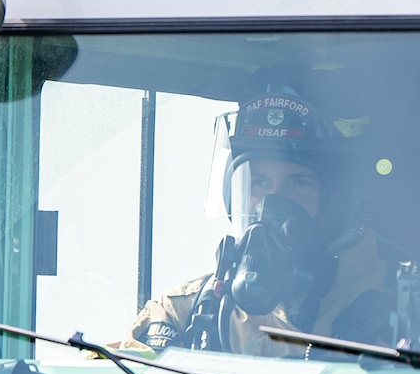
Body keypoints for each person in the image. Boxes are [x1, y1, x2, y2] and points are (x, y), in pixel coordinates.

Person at [122, 85, 395, 357]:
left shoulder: (404, 310)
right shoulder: (187, 311)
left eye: (299, 182)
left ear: (335, 205)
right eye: (259, 182)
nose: (272, 202)